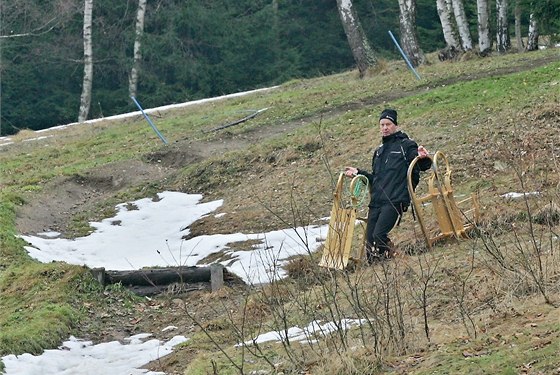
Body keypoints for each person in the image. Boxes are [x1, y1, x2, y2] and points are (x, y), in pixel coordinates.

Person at [344, 108, 431, 263]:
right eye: (382, 124)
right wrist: (358, 172)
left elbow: (420, 165)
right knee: (370, 244)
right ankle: (379, 271)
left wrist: (424, 157)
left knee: (379, 235)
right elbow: (376, 179)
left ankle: (398, 260)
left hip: (395, 199)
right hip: (377, 201)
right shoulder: (379, 152)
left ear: (395, 125)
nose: (385, 127)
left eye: (388, 124)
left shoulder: (406, 145)